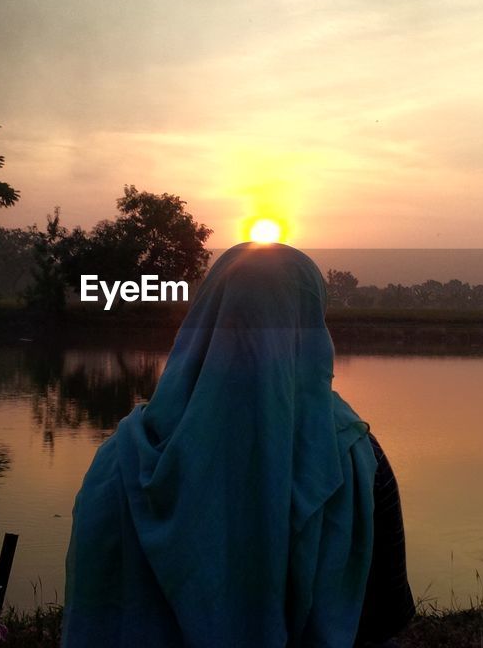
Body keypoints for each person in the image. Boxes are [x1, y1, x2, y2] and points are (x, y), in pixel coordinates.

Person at [62, 243, 414, 647]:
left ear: (204, 319)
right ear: (311, 325)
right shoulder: (355, 459)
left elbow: (94, 614)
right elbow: (381, 622)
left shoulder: (120, 460)